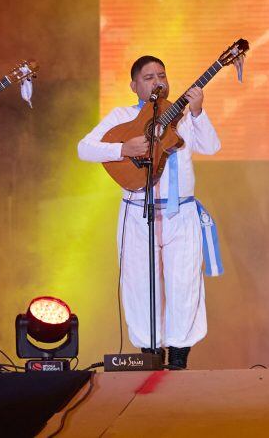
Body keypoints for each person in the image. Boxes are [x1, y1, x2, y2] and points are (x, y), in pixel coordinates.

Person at [78, 55, 223, 370]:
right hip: (136, 210)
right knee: (140, 284)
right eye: (148, 77)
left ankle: (179, 360)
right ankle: (149, 357)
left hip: (181, 213)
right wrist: (122, 149)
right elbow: (84, 148)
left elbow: (212, 146)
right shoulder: (122, 117)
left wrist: (198, 111)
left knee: (185, 283)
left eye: (162, 74)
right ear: (134, 86)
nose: (158, 81)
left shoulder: (183, 117)